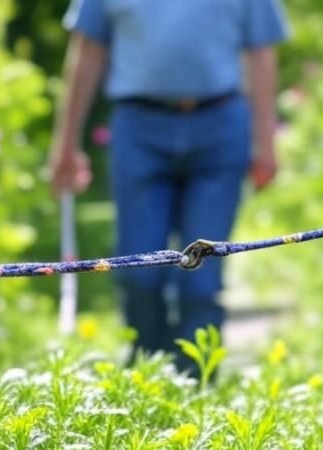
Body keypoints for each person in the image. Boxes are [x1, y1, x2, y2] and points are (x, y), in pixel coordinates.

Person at [50, 0, 289, 372]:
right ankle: (147, 373)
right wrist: (65, 145)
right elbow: (87, 51)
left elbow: (261, 54)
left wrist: (265, 145)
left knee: (202, 273)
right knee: (139, 269)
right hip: (138, 128)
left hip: (220, 126)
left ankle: (197, 383)